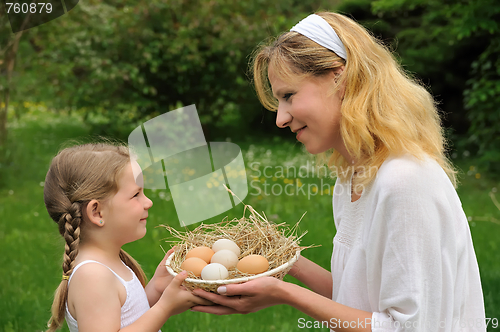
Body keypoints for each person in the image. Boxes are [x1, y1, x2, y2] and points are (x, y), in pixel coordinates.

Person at [191, 12, 486, 331]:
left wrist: (285, 293)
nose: (280, 118)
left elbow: (410, 327)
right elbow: (358, 299)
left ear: (339, 78)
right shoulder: (352, 178)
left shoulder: (405, 181)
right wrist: (283, 264)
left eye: (288, 96)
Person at [43, 142, 211, 332]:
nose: (148, 202)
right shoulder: (92, 276)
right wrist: (165, 308)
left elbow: (125, 316)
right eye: (136, 195)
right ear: (97, 212)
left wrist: (156, 288)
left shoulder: (108, 264)